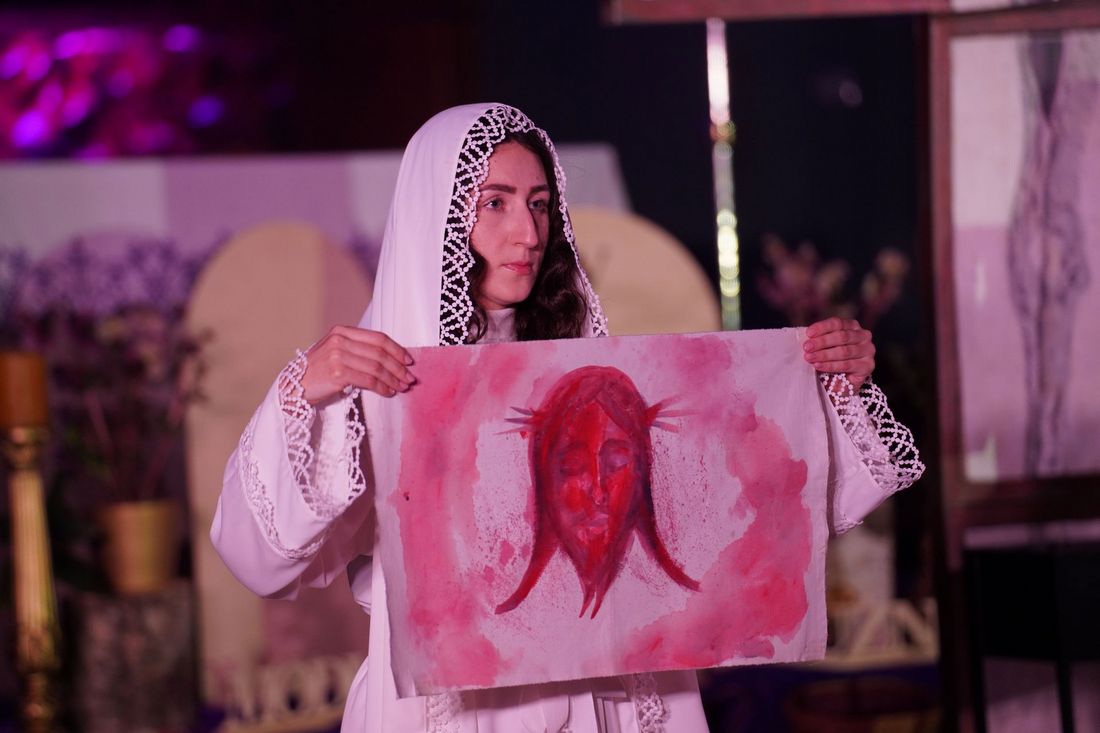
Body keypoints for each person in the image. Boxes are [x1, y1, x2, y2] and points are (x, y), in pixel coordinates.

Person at [211, 103, 920, 733]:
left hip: (608, 700)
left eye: (540, 204)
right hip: (452, 713)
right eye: (494, 203)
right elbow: (261, 558)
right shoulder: (379, 380)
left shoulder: (595, 373)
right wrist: (308, 388)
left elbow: (753, 513)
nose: (527, 232)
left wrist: (828, 381)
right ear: (437, 213)